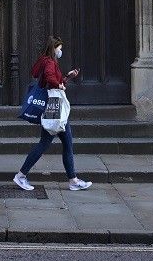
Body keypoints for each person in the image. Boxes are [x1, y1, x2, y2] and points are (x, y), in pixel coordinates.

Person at [13, 36, 93, 192]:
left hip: (54, 107)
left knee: (67, 143)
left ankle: (73, 180)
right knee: (46, 143)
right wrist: (60, 85)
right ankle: (21, 175)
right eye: (59, 48)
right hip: (54, 107)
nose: (60, 51)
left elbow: (52, 80)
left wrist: (67, 78)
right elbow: (51, 80)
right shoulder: (50, 62)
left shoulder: (45, 61)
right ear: (54, 48)